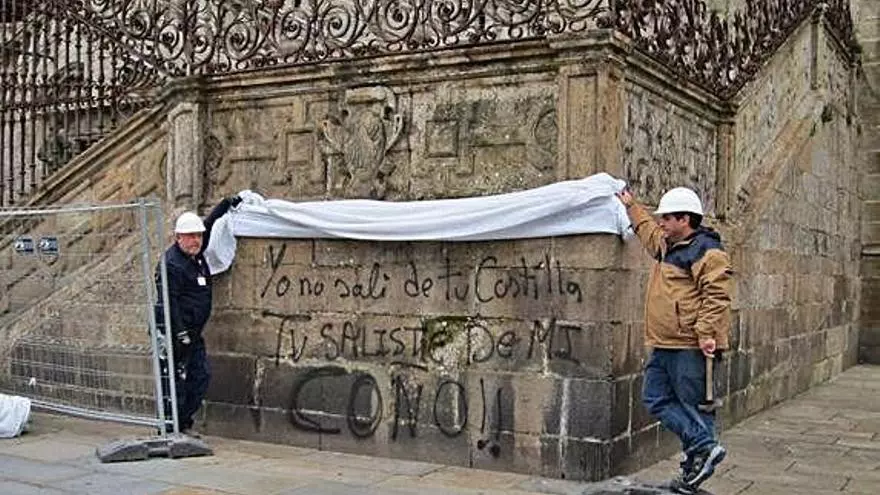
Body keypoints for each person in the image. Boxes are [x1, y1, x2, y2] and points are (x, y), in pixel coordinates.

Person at [616, 186, 732, 494]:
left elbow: (717, 295)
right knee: (655, 397)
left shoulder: (707, 251)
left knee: (693, 407)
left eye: (667, 218)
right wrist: (631, 206)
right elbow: (649, 233)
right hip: (665, 341)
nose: (662, 223)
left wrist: (706, 333)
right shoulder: (668, 244)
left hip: (689, 344)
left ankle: (699, 457)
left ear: (685, 219)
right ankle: (702, 449)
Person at [154, 196, 240, 435]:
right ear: (178, 237)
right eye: (190, 236)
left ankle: (183, 422)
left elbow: (209, 225)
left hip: (193, 332)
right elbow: (169, 302)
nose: (196, 241)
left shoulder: (196, 255)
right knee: (174, 381)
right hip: (173, 332)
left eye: (198, 236)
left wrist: (225, 204)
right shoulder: (172, 265)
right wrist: (180, 332)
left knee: (200, 377)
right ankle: (171, 428)